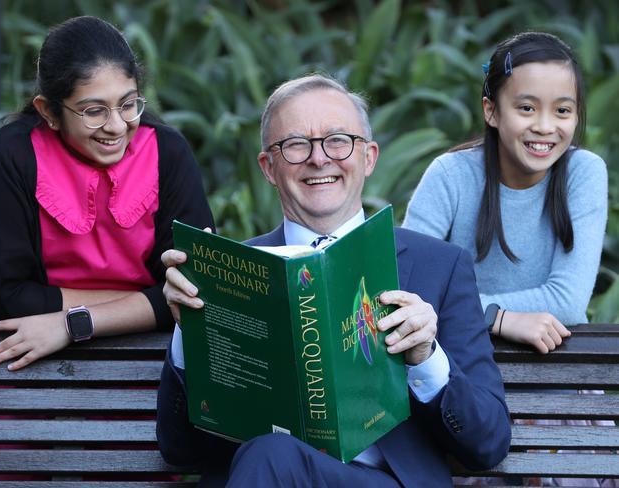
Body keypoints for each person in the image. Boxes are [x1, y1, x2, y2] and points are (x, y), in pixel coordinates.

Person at [156, 74, 511, 487]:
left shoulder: (439, 266)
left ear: (369, 157)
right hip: (265, 475)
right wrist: (190, 331)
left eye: (338, 140)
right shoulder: (231, 273)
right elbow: (179, 450)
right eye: (295, 145)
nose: (319, 159)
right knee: (272, 453)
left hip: (385, 482)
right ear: (268, 167)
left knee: (274, 454)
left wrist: (426, 359)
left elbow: (489, 443)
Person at [0, 16, 214, 371]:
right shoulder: (14, 156)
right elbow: (7, 298)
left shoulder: (168, 153)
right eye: (94, 111)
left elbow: (196, 291)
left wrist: (74, 324)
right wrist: (148, 301)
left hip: (151, 367)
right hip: (27, 366)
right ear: (49, 111)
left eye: (128, 104)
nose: (116, 126)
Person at [403, 32, 608, 354]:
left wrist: (460, 308)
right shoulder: (450, 175)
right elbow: (407, 289)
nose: (544, 126)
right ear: (491, 111)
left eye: (562, 111)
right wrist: (495, 318)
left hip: (559, 370)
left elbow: (568, 301)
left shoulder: (583, 173)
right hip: (461, 364)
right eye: (527, 108)